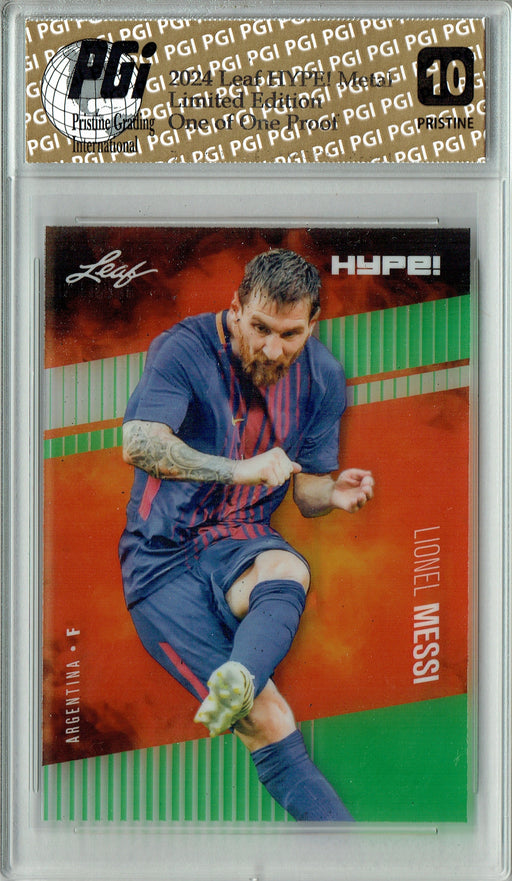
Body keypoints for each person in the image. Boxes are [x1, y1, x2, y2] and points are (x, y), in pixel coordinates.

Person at [119, 248, 374, 822]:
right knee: (267, 720)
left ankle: (241, 675)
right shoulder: (183, 348)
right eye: (259, 328)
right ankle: (246, 685)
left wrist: (331, 493)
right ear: (235, 309)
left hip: (239, 540)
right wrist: (238, 470)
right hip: (161, 563)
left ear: (312, 325)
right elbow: (138, 442)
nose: (272, 349)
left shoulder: (323, 377)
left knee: (289, 568)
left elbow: (306, 493)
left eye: (289, 334)